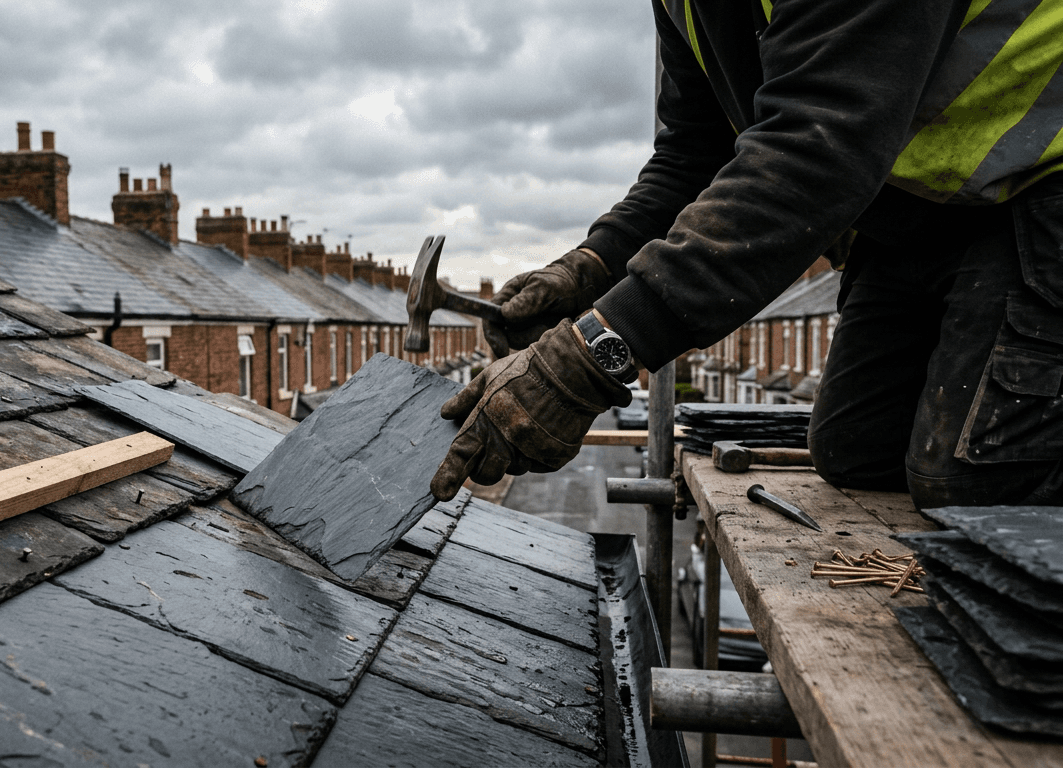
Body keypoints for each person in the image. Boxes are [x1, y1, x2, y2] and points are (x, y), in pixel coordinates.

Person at [431, 0, 1063, 508]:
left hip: (1039, 188)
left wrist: (584, 363)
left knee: (970, 480)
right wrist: (584, 272)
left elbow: (818, 146)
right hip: (918, 218)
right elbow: (693, 155)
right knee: (857, 454)